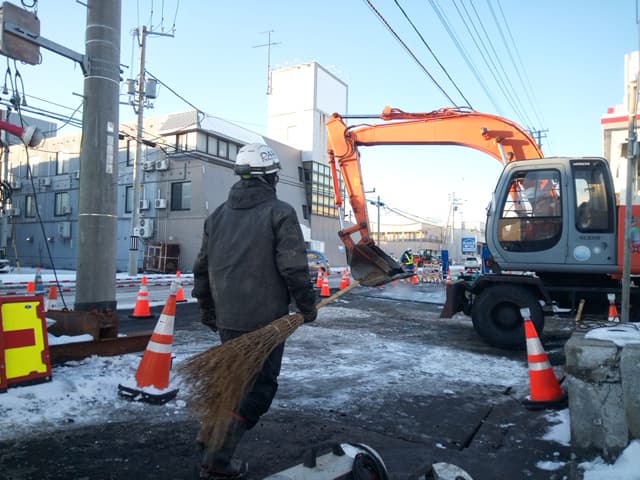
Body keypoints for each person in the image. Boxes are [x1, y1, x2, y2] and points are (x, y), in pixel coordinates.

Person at [191, 143, 318, 480]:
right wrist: (307, 307)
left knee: (231, 383)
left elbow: (201, 269)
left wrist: (208, 311)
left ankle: (210, 437)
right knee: (259, 391)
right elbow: (293, 268)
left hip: (228, 321)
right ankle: (218, 458)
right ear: (269, 177)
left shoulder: (217, 216)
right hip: (266, 324)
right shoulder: (280, 212)